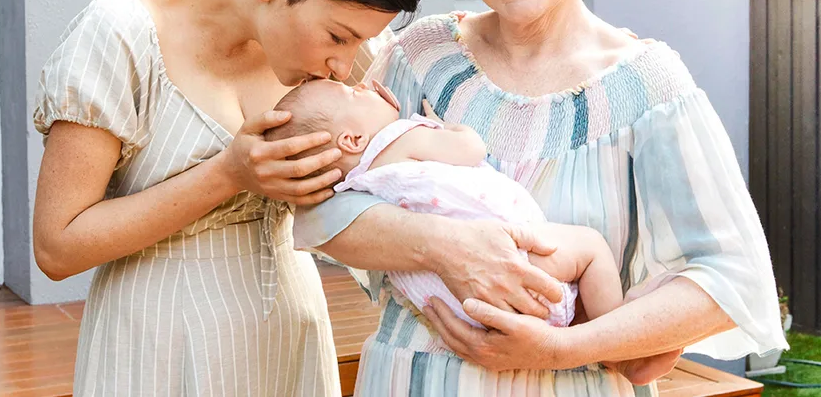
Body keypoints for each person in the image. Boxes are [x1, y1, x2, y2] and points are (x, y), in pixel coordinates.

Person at [294, 0, 788, 395]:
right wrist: (447, 247)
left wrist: (561, 346)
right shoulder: (417, 59)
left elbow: (730, 280)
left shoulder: (649, 87)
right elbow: (317, 210)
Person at [31, 0, 425, 397]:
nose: (346, 62)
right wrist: (228, 174)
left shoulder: (333, 58)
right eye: (338, 37)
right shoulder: (120, 34)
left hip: (293, 342)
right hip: (158, 352)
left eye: (359, 41)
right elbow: (57, 247)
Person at [267, 77, 624, 330]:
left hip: (456, 306)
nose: (363, 85)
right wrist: (444, 127)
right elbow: (471, 151)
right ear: (353, 138)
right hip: (512, 257)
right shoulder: (400, 139)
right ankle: (612, 342)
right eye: (352, 93)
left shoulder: (352, 186)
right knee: (590, 248)